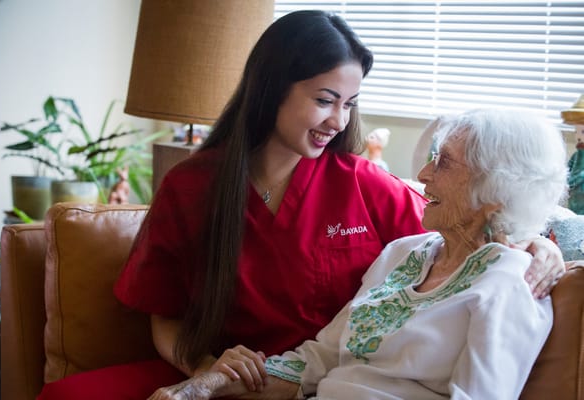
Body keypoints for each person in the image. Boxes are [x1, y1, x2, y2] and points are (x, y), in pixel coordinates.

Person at [37, 11, 564, 400]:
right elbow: (164, 315)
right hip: (230, 373)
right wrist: (206, 368)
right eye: (324, 99)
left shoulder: (366, 184)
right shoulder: (193, 188)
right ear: (272, 90)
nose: (338, 120)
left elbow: (467, 227)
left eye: (350, 103)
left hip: (315, 381)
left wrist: (540, 245)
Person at [163, 108, 568, 399]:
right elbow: (320, 358)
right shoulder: (402, 253)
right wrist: (203, 386)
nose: (423, 175)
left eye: (443, 163)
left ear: (494, 193)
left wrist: (545, 244)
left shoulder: (512, 283)